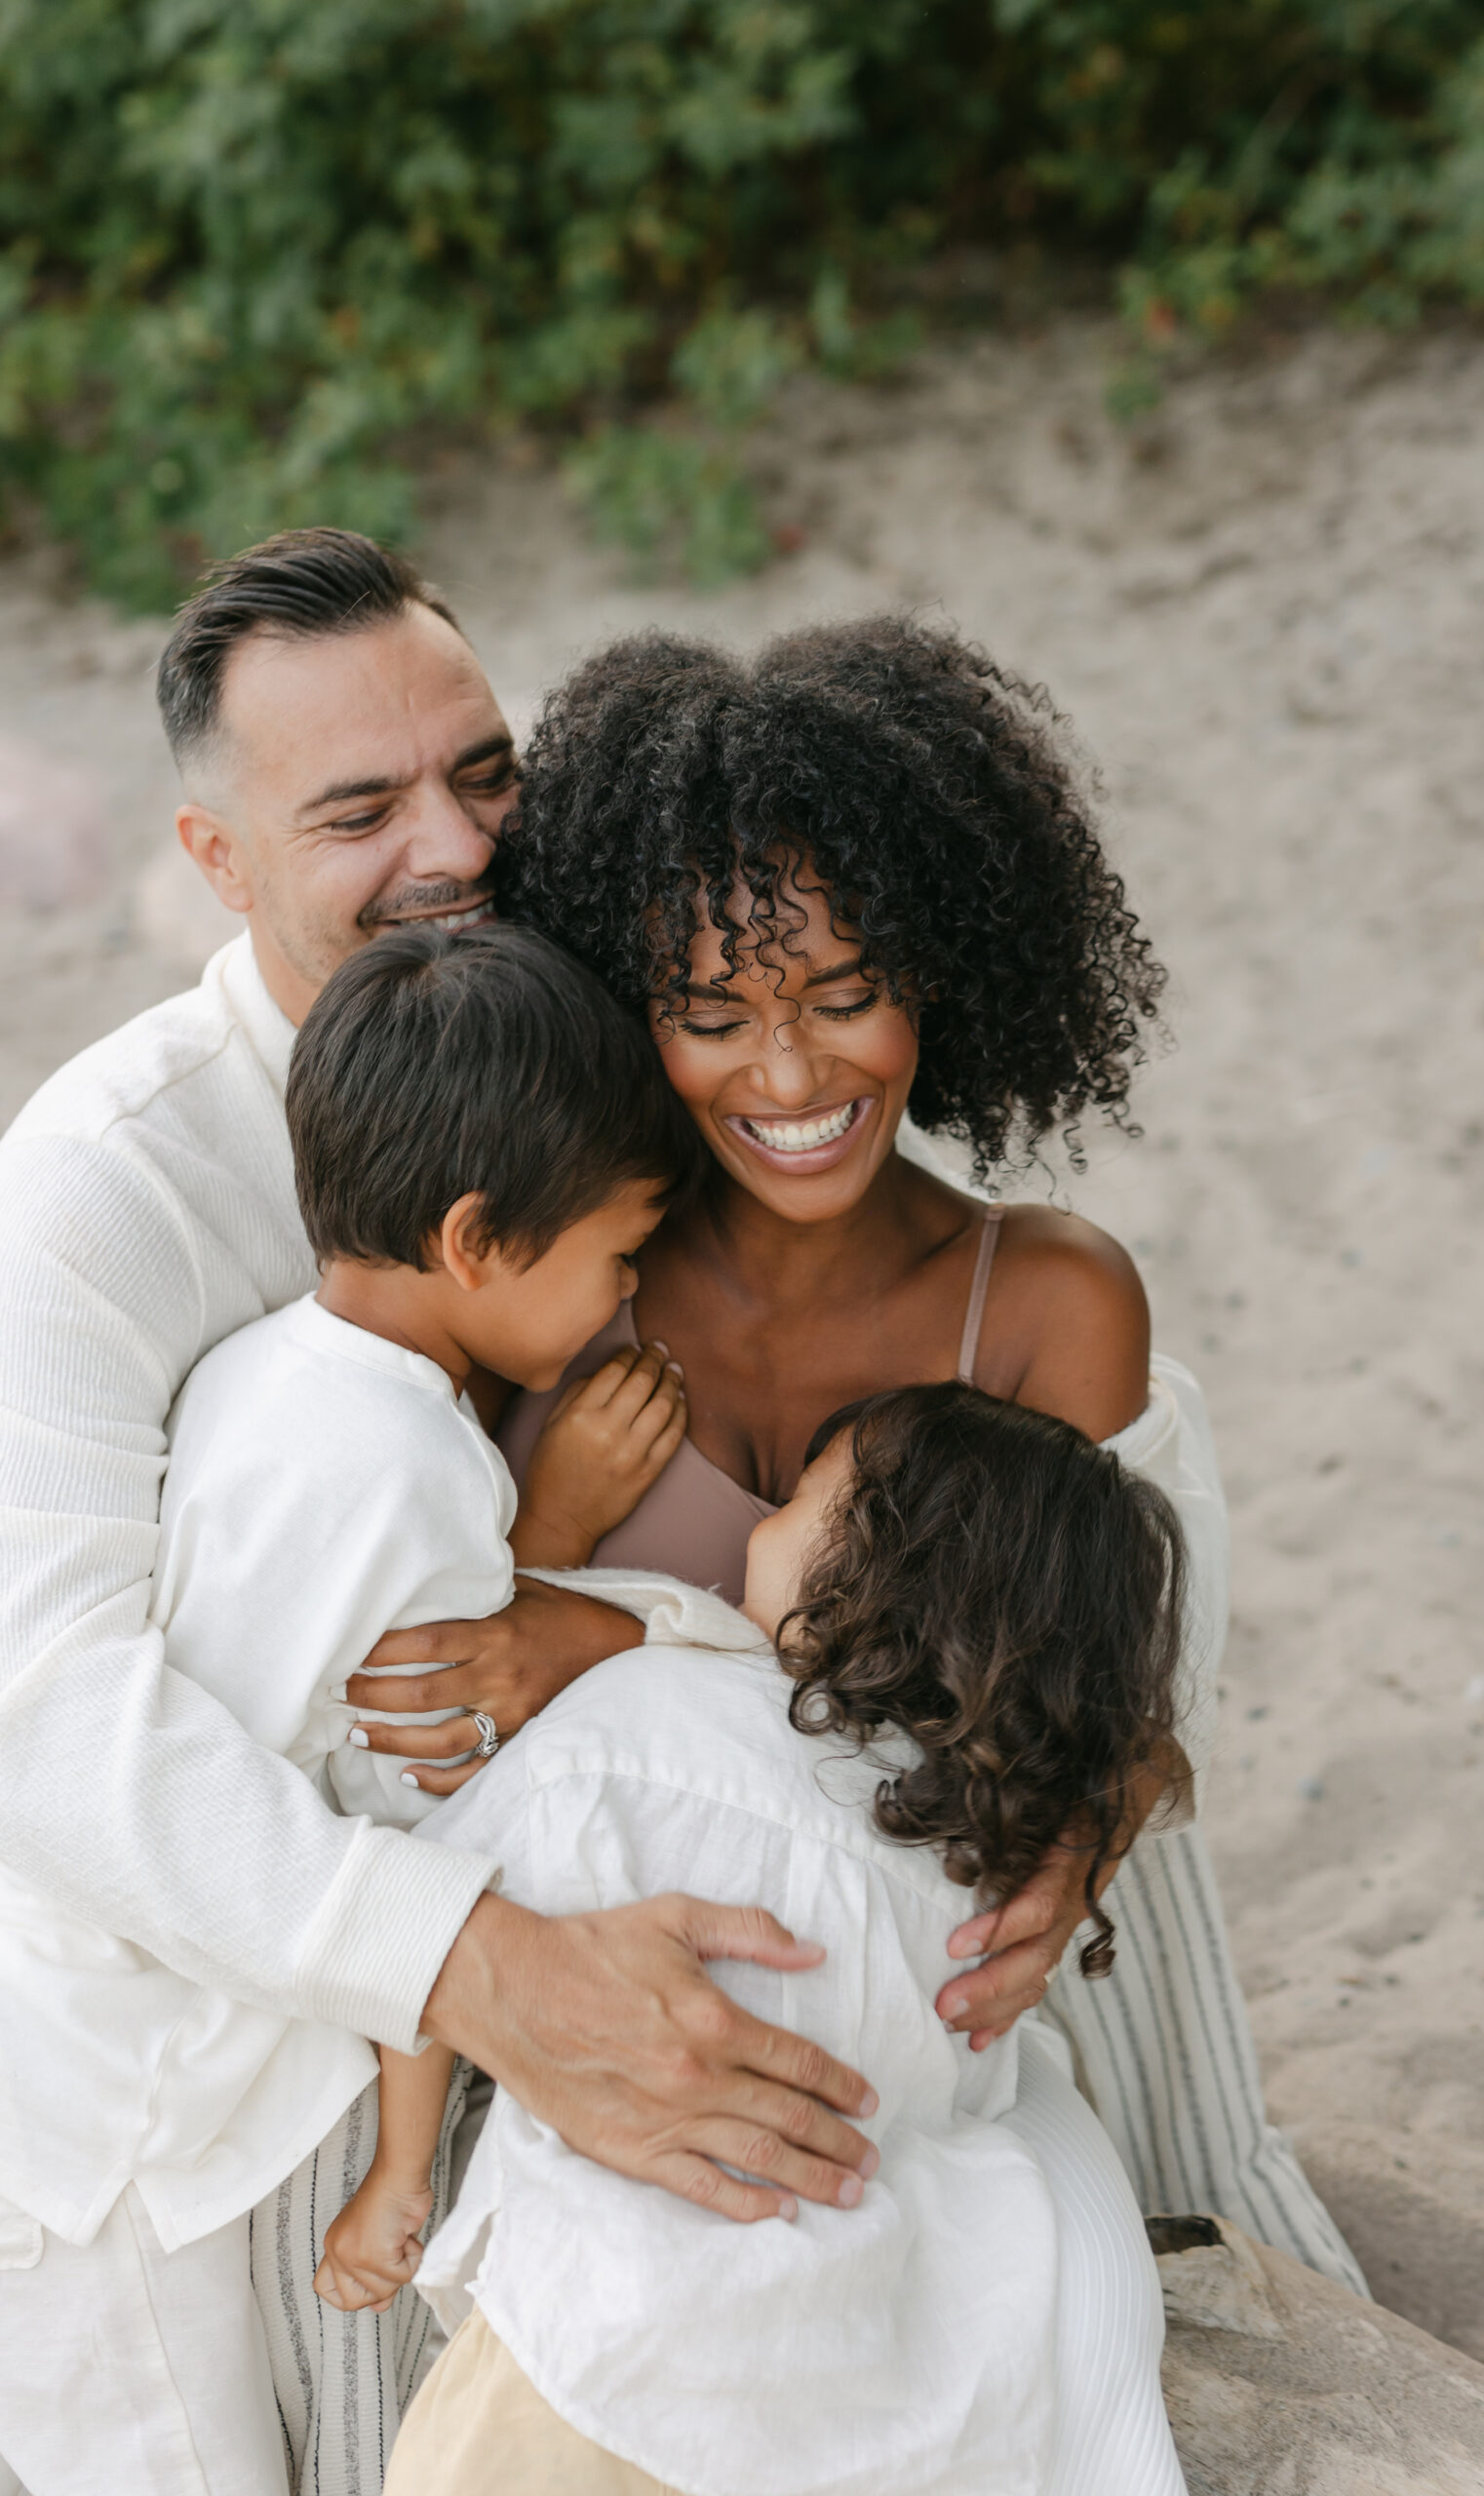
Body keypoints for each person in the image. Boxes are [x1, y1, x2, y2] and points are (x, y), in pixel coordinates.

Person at [0, 535, 882, 2496]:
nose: (458, 845)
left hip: (438, 1935)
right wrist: (482, 1962)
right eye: (357, 807)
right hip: (128, 2101)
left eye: (482, 772)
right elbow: (43, 1706)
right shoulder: (90, 1192)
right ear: (214, 861)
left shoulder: (581, 1035)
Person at [358, 616, 1368, 2294]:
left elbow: (1128, 1707)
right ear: (624, 1004)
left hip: (976, 2001)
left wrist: (1083, 1842)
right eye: (710, 1013)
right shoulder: (546, 1300)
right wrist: (542, 1535)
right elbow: (430, 1695)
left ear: (940, 978)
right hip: (626, 2017)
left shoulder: (1043, 1301)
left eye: (846, 994)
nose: (790, 1072)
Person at [0, 921, 704, 2493]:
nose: (626, 1297)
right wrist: (400, 2175)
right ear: (474, 1241)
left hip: (66, 2047)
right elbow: (420, 1811)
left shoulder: (251, 1367)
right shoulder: (421, 1471)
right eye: (616, 1253)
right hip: (119, 2139)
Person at [385, 1384, 1192, 2496]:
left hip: (595, 2341)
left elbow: (435, 1918)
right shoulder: (981, 1864)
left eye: (799, 1498)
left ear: (859, 1568)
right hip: (835, 2376)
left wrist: (393, 2175)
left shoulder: (638, 1718)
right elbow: (974, 2093)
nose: (755, 1521)